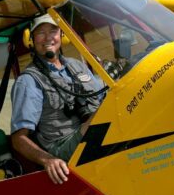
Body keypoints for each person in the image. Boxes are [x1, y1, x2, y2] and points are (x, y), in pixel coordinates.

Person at [10, 14, 105, 184]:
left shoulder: (77, 65)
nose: (48, 38)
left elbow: (105, 99)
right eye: (40, 33)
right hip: (61, 146)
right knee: (103, 118)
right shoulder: (28, 81)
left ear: (61, 35)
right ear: (30, 39)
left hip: (90, 128)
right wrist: (48, 160)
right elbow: (18, 139)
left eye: (53, 31)